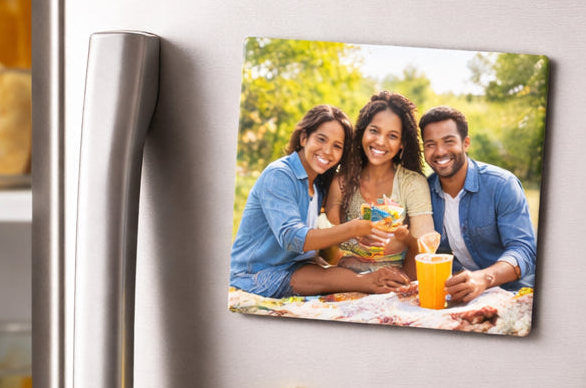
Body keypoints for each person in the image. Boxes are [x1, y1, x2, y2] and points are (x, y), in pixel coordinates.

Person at [230, 105, 407, 298]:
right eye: (321, 139)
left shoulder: (319, 183)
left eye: (337, 146)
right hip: (255, 274)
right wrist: (353, 229)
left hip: (298, 266)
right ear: (304, 138)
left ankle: (376, 281)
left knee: (345, 274)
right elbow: (292, 237)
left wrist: (360, 236)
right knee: (349, 280)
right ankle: (372, 282)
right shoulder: (279, 175)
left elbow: (327, 232)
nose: (327, 151)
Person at [419, 105, 537, 302]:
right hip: (460, 295)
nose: (440, 151)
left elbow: (523, 249)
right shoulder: (424, 192)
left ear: (465, 143)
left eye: (448, 141)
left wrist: (484, 278)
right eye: (430, 144)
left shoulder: (501, 185)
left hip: (514, 292)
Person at [324, 91, 434, 278]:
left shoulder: (412, 183)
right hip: (346, 278)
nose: (380, 141)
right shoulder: (342, 181)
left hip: (394, 278)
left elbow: (426, 248)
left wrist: (405, 238)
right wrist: (356, 232)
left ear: (402, 143)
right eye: (374, 131)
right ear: (363, 132)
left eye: (392, 136)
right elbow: (327, 237)